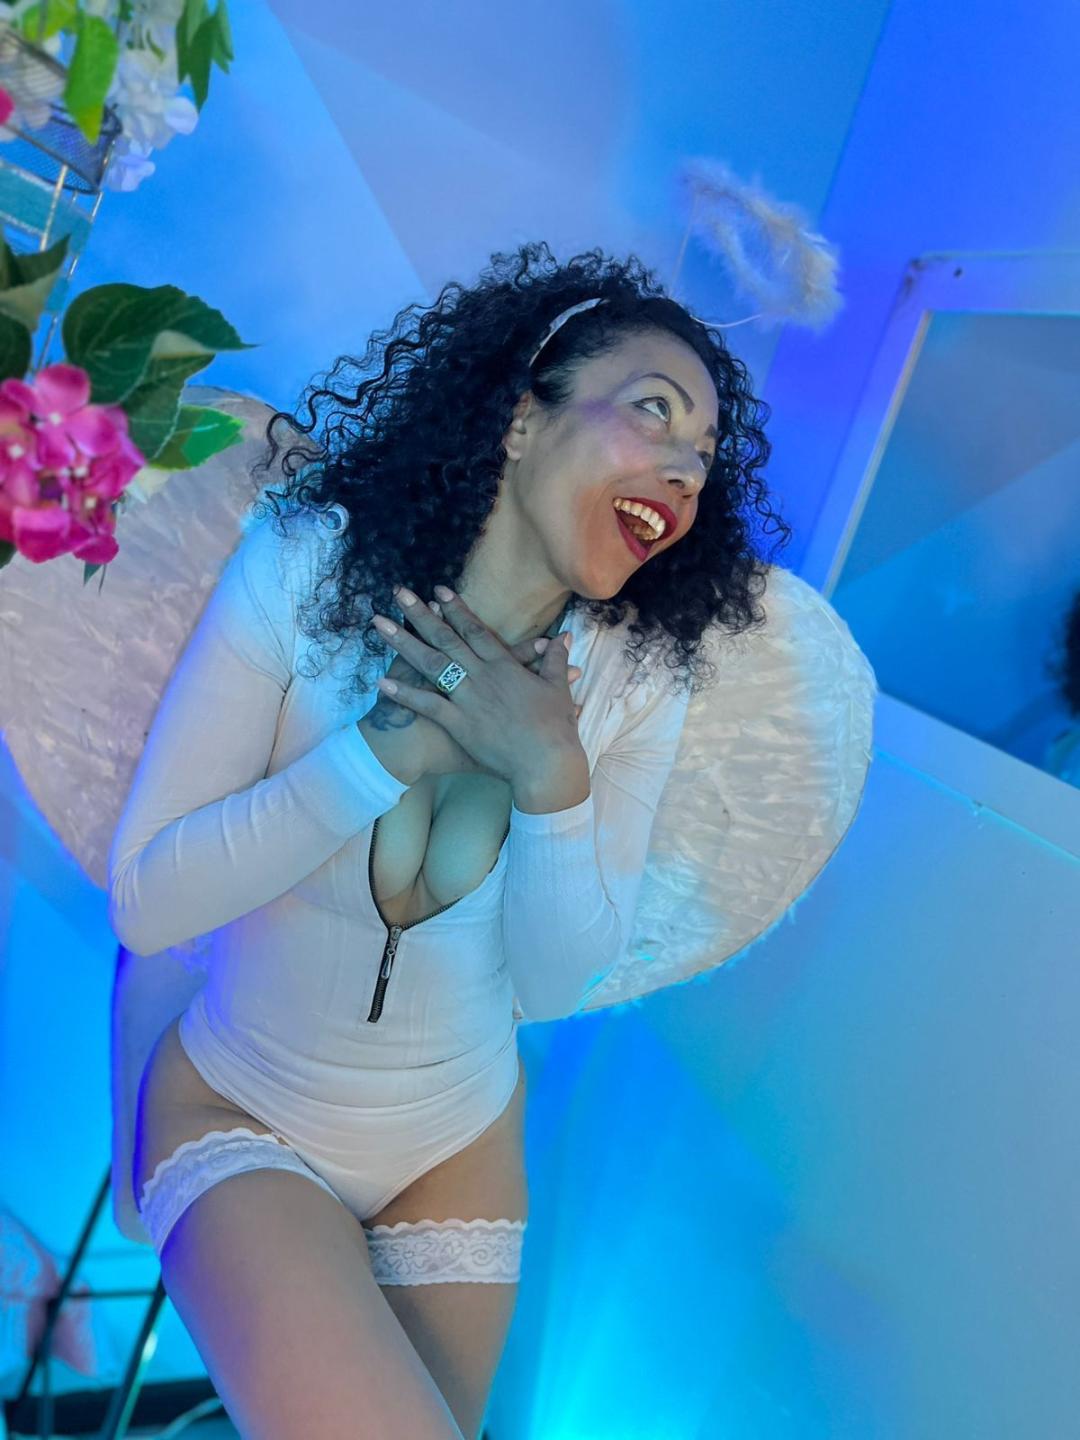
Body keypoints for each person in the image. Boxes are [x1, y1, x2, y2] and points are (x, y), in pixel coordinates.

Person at [108, 241, 799, 1440]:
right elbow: (148, 903)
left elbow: (551, 983)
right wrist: (376, 756)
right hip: (241, 1106)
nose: (687, 467)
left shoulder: (637, 678)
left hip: (456, 1148)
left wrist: (555, 777)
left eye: (703, 451)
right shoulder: (310, 563)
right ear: (522, 419)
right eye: (655, 410)